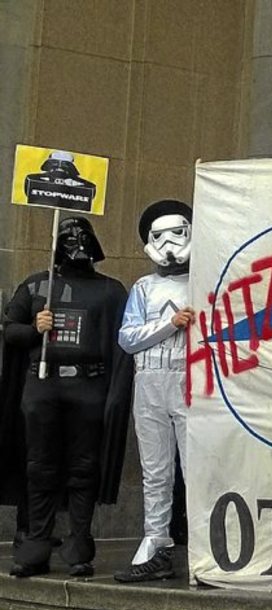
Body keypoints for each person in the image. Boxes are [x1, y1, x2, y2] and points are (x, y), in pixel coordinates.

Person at [2, 216, 132, 577]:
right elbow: (10, 330)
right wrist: (34, 329)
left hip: (89, 388)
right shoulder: (36, 285)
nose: (76, 245)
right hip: (43, 385)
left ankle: (78, 544)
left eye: (81, 237)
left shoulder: (111, 291)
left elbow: (126, 338)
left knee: (84, 468)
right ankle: (36, 542)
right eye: (68, 238)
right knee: (39, 466)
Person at [113, 200, 194, 583]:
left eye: (177, 233)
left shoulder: (205, 282)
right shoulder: (144, 287)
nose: (169, 243)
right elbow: (127, 338)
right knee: (155, 470)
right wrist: (169, 324)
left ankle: (206, 546)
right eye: (159, 236)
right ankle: (156, 541)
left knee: (196, 468)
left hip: (190, 382)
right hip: (149, 383)